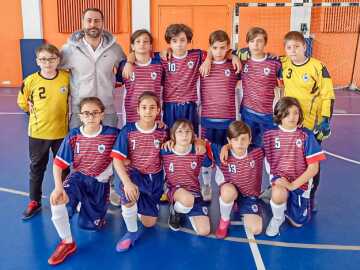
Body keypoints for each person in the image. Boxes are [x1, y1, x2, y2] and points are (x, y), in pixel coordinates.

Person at [60, 7, 127, 206]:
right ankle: (79, 189)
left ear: (102, 23)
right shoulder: (69, 50)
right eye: (89, 20)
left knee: (111, 151)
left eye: (97, 21)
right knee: (80, 153)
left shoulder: (114, 48)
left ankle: (112, 188)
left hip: (106, 109)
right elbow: (53, 71)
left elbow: (125, 64)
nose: (92, 25)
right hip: (81, 111)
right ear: (82, 23)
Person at [47, 97, 119, 265]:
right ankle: (67, 242)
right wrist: (58, 188)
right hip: (78, 177)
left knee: (90, 226)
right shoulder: (74, 136)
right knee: (58, 201)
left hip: (99, 183)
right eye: (86, 113)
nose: (91, 116)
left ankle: (90, 210)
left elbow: (132, 138)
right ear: (80, 116)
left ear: (102, 114)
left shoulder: (113, 134)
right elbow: (58, 164)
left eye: (95, 113)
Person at [280, 31, 335, 210]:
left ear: (305, 46)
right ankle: (286, 189)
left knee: (311, 162)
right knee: (289, 160)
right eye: (289, 47)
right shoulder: (284, 63)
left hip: (311, 125)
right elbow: (256, 55)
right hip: (289, 124)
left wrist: (325, 119)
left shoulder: (318, 67)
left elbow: (328, 95)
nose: (293, 51)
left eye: (297, 46)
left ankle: (310, 196)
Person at [17, 44, 69, 220]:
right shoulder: (30, 80)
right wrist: (30, 108)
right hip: (38, 133)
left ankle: (66, 197)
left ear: (58, 60)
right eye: (43, 59)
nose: (47, 63)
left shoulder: (66, 78)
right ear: (37, 61)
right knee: (37, 167)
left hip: (62, 132)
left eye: (51, 59)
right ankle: (34, 201)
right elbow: (22, 102)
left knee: (64, 168)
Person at [111, 91, 168, 252]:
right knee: (127, 192)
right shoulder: (128, 130)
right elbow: (117, 159)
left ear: (158, 110)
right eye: (144, 107)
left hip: (153, 178)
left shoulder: (164, 132)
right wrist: (127, 183)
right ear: (138, 110)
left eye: (152, 107)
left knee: (149, 223)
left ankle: (137, 202)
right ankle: (131, 232)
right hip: (133, 174)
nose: (148, 111)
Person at [263, 97, 326, 237]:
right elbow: (248, 146)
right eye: (287, 113)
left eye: (295, 113)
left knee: (298, 223)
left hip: (299, 183)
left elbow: (313, 169)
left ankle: (287, 202)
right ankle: (277, 217)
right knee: (278, 193)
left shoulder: (306, 136)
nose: (292, 117)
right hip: (280, 179)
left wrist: (292, 185)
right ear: (279, 114)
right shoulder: (269, 134)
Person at [199, 30, 241, 201]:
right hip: (208, 120)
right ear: (210, 48)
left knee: (227, 155)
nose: (218, 51)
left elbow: (242, 54)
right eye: (215, 48)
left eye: (223, 48)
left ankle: (226, 185)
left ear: (228, 47)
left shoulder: (234, 65)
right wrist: (208, 58)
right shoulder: (202, 65)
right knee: (206, 155)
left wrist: (235, 56)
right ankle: (207, 185)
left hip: (228, 121)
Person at [212, 121, 264, 238]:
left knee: (256, 229)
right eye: (235, 139)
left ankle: (239, 205)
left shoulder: (258, 152)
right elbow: (202, 144)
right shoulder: (221, 152)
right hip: (231, 190)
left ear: (250, 139)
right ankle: (224, 221)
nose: (240, 143)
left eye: (243, 139)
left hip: (249, 196)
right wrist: (226, 147)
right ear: (229, 141)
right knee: (227, 192)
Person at [161, 120, 211, 235]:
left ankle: (184, 208)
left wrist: (203, 146)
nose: (184, 135)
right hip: (174, 189)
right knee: (187, 199)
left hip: (194, 192)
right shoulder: (166, 151)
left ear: (193, 134)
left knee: (204, 231)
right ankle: (175, 211)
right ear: (173, 135)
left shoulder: (197, 150)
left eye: (188, 132)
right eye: (180, 132)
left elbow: (208, 164)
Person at [237, 27, 282, 147]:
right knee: (249, 148)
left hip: (268, 116)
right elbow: (228, 52)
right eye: (252, 41)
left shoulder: (275, 63)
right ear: (247, 43)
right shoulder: (243, 61)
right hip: (248, 114)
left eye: (259, 41)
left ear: (265, 43)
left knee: (270, 149)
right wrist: (235, 56)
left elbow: (284, 85)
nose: (255, 45)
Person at [160, 24, 206, 134]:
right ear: (169, 42)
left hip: (189, 104)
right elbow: (138, 54)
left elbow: (215, 52)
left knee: (190, 135)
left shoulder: (197, 55)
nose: (179, 44)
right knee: (171, 135)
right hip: (170, 104)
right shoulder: (162, 57)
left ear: (188, 41)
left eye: (182, 40)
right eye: (174, 41)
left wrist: (208, 59)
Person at [116, 29, 163, 125]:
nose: (142, 44)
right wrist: (128, 62)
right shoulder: (124, 65)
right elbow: (116, 84)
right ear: (132, 46)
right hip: (131, 111)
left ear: (150, 46)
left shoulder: (159, 64)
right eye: (138, 41)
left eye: (145, 41)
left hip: (153, 111)